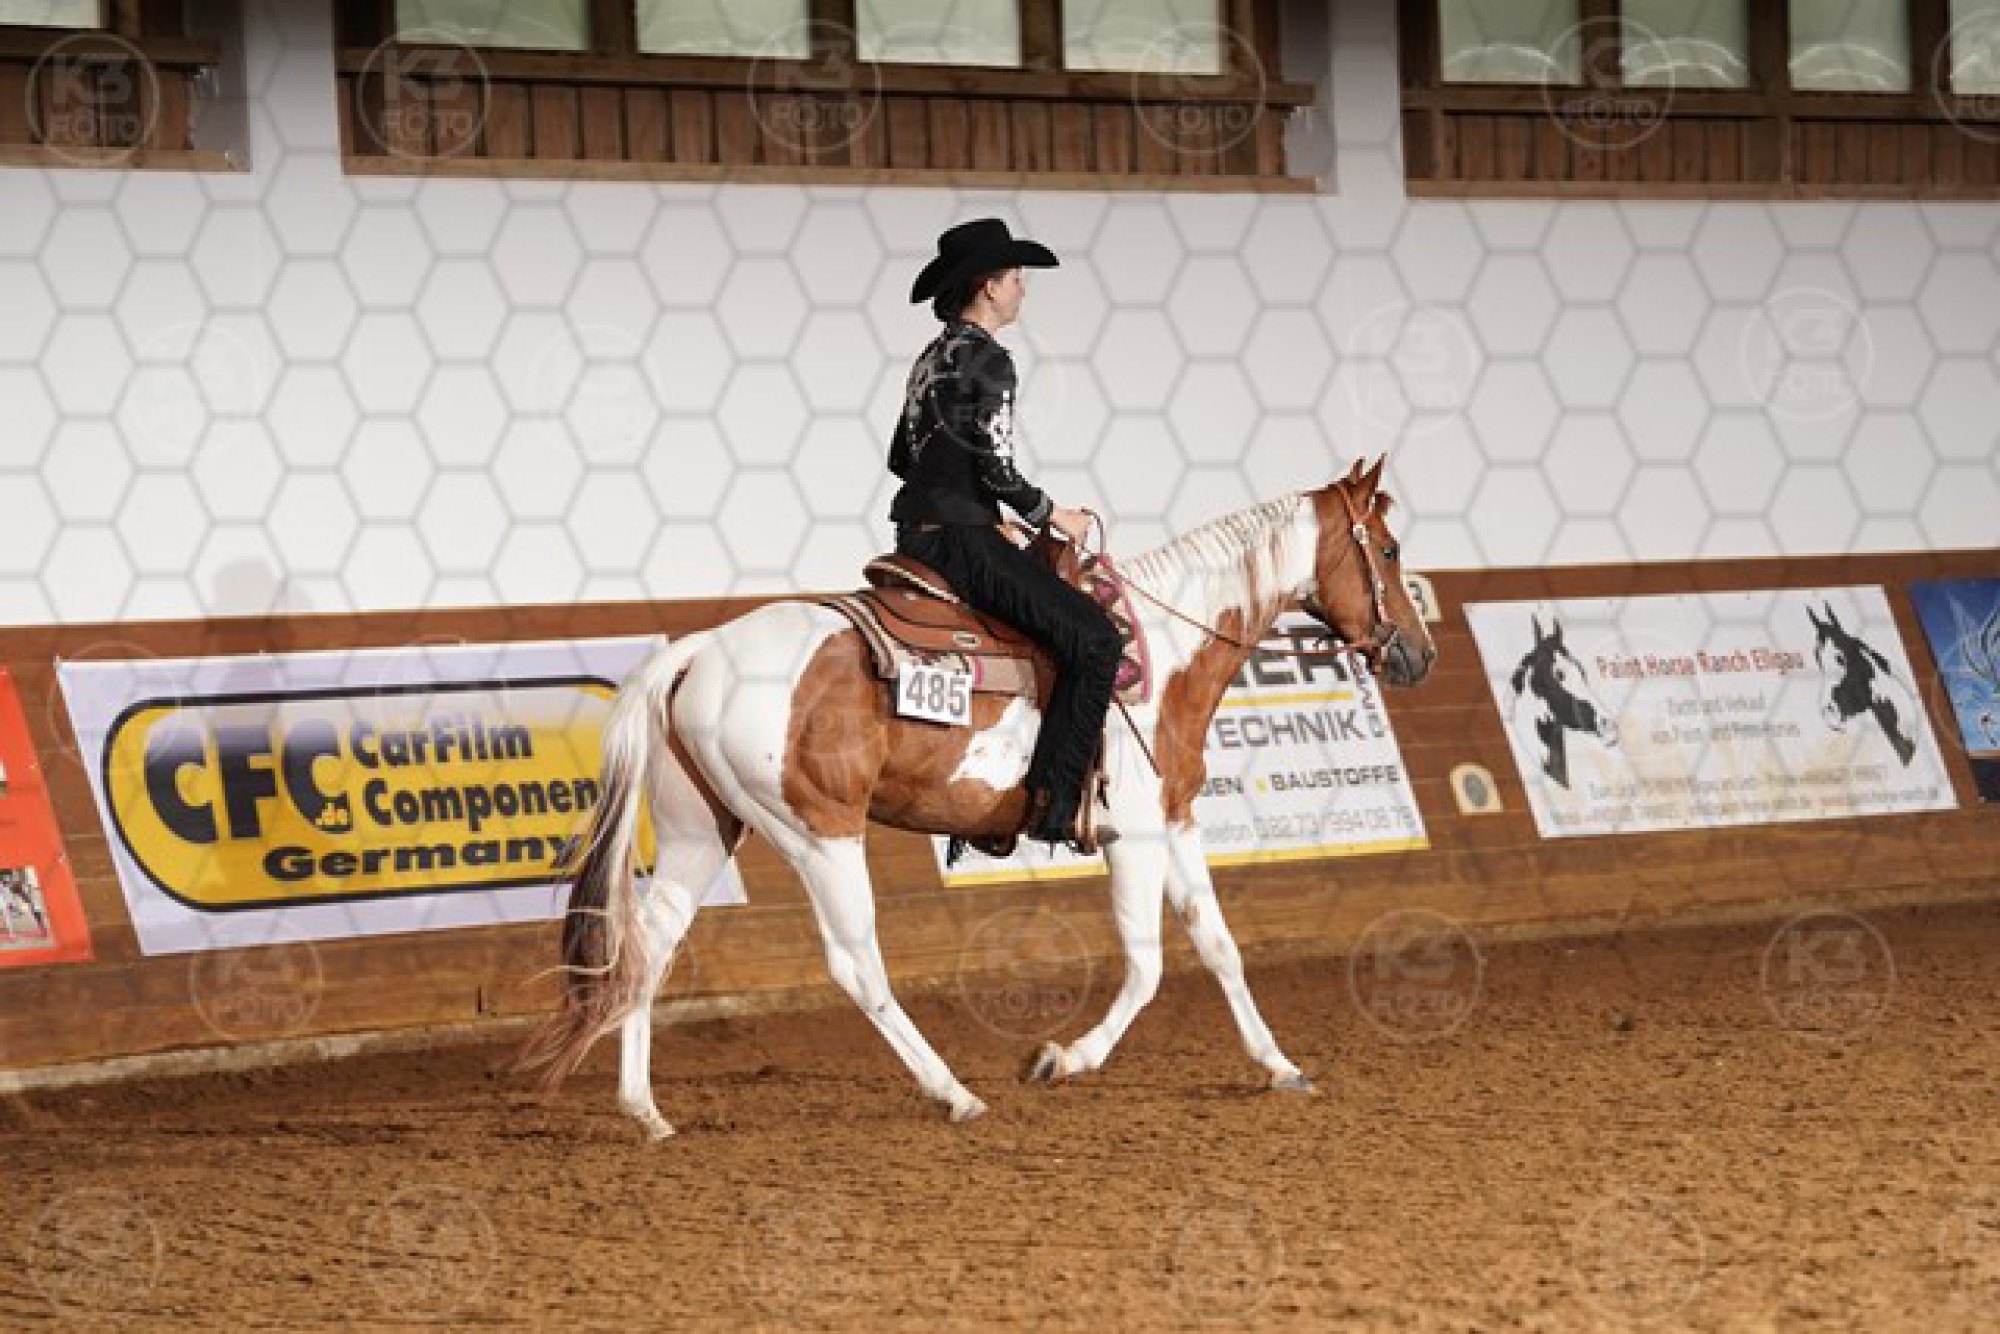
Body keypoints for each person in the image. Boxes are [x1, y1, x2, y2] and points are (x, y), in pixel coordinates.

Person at [888, 218, 1122, 854]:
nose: (1023, 288)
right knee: (1097, 641)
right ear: (988, 287)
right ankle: (1055, 803)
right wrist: (1052, 515)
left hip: (916, 535)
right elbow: (995, 467)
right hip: (962, 542)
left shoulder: (928, 360)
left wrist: (984, 509)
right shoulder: (991, 360)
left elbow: (903, 459)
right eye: (1017, 277)